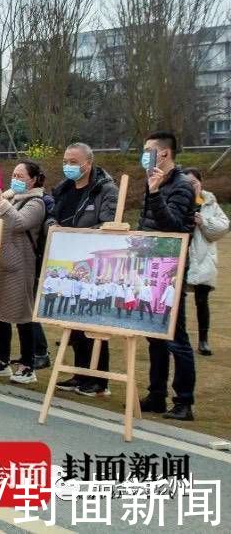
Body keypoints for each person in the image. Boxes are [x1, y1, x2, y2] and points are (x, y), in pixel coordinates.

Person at [138, 131, 197, 421]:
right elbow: (145, 223)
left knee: (176, 336)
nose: (144, 154)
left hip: (171, 268)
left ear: (164, 153)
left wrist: (156, 192)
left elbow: (172, 225)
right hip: (150, 264)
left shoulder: (182, 185)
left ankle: (184, 400)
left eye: (149, 150)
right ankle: (156, 394)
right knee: (154, 335)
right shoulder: (153, 182)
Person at [0, 160, 46, 385]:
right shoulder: (9, 197)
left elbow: (19, 223)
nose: (16, 179)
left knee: (22, 315)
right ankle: (2, 359)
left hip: (21, 266)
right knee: (0, 313)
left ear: (33, 179)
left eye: (21, 176)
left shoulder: (36, 202)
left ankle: (28, 364)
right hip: (0, 264)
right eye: (14, 175)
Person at [182, 167, 228, 356]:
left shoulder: (208, 202)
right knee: (177, 301)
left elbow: (223, 227)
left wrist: (204, 222)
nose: (191, 187)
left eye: (194, 182)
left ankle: (203, 340)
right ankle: (178, 338)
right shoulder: (180, 200)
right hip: (183, 257)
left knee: (202, 300)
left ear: (201, 183)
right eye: (187, 183)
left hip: (203, 258)